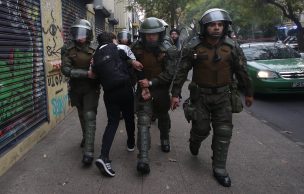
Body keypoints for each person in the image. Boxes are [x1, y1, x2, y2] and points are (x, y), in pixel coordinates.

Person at [170, 8, 254, 187]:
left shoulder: (232, 47)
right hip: (200, 96)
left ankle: (219, 168)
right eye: (212, 25)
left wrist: (249, 92)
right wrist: (175, 94)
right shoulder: (193, 47)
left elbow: (242, 71)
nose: (216, 28)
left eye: (220, 25)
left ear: (224, 27)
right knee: (201, 129)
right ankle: (194, 140)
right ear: (205, 27)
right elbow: (181, 71)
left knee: (224, 132)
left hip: (224, 96)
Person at [92, 31, 149, 177]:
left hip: (109, 93)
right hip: (125, 89)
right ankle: (130, 142)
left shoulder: (96, 54)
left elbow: (94, 76)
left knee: (112, 123)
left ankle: (104, 156)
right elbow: (137, 65)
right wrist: (144, 87)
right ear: (113, 40)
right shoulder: (121, 48)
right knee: (129, 117)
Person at [131, 17, 178, 174]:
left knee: (163, 116)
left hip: (160, 89)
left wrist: (151, 83)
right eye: (148, 34)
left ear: (160, 34)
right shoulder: (136, 47)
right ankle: (143, 158)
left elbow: (170, 72)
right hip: (142, 89)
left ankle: (165, 138)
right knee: (143, 121)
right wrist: (132, 65)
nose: (151, 37)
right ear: (143, 35)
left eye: (154, 34)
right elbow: (126, 62)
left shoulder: (167, 48)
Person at [61, 19, 100, 165]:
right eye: (77, 33)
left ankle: (89, 152)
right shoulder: (67, 48)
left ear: (89, 34)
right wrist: (85, 74)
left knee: (89, 115)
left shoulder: (95, 48)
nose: (80, 36)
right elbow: (65, 69)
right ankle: (86, 136)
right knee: (81, 114)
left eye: (83, 33)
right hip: (76, 87)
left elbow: (102, 66)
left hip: (91, 88)